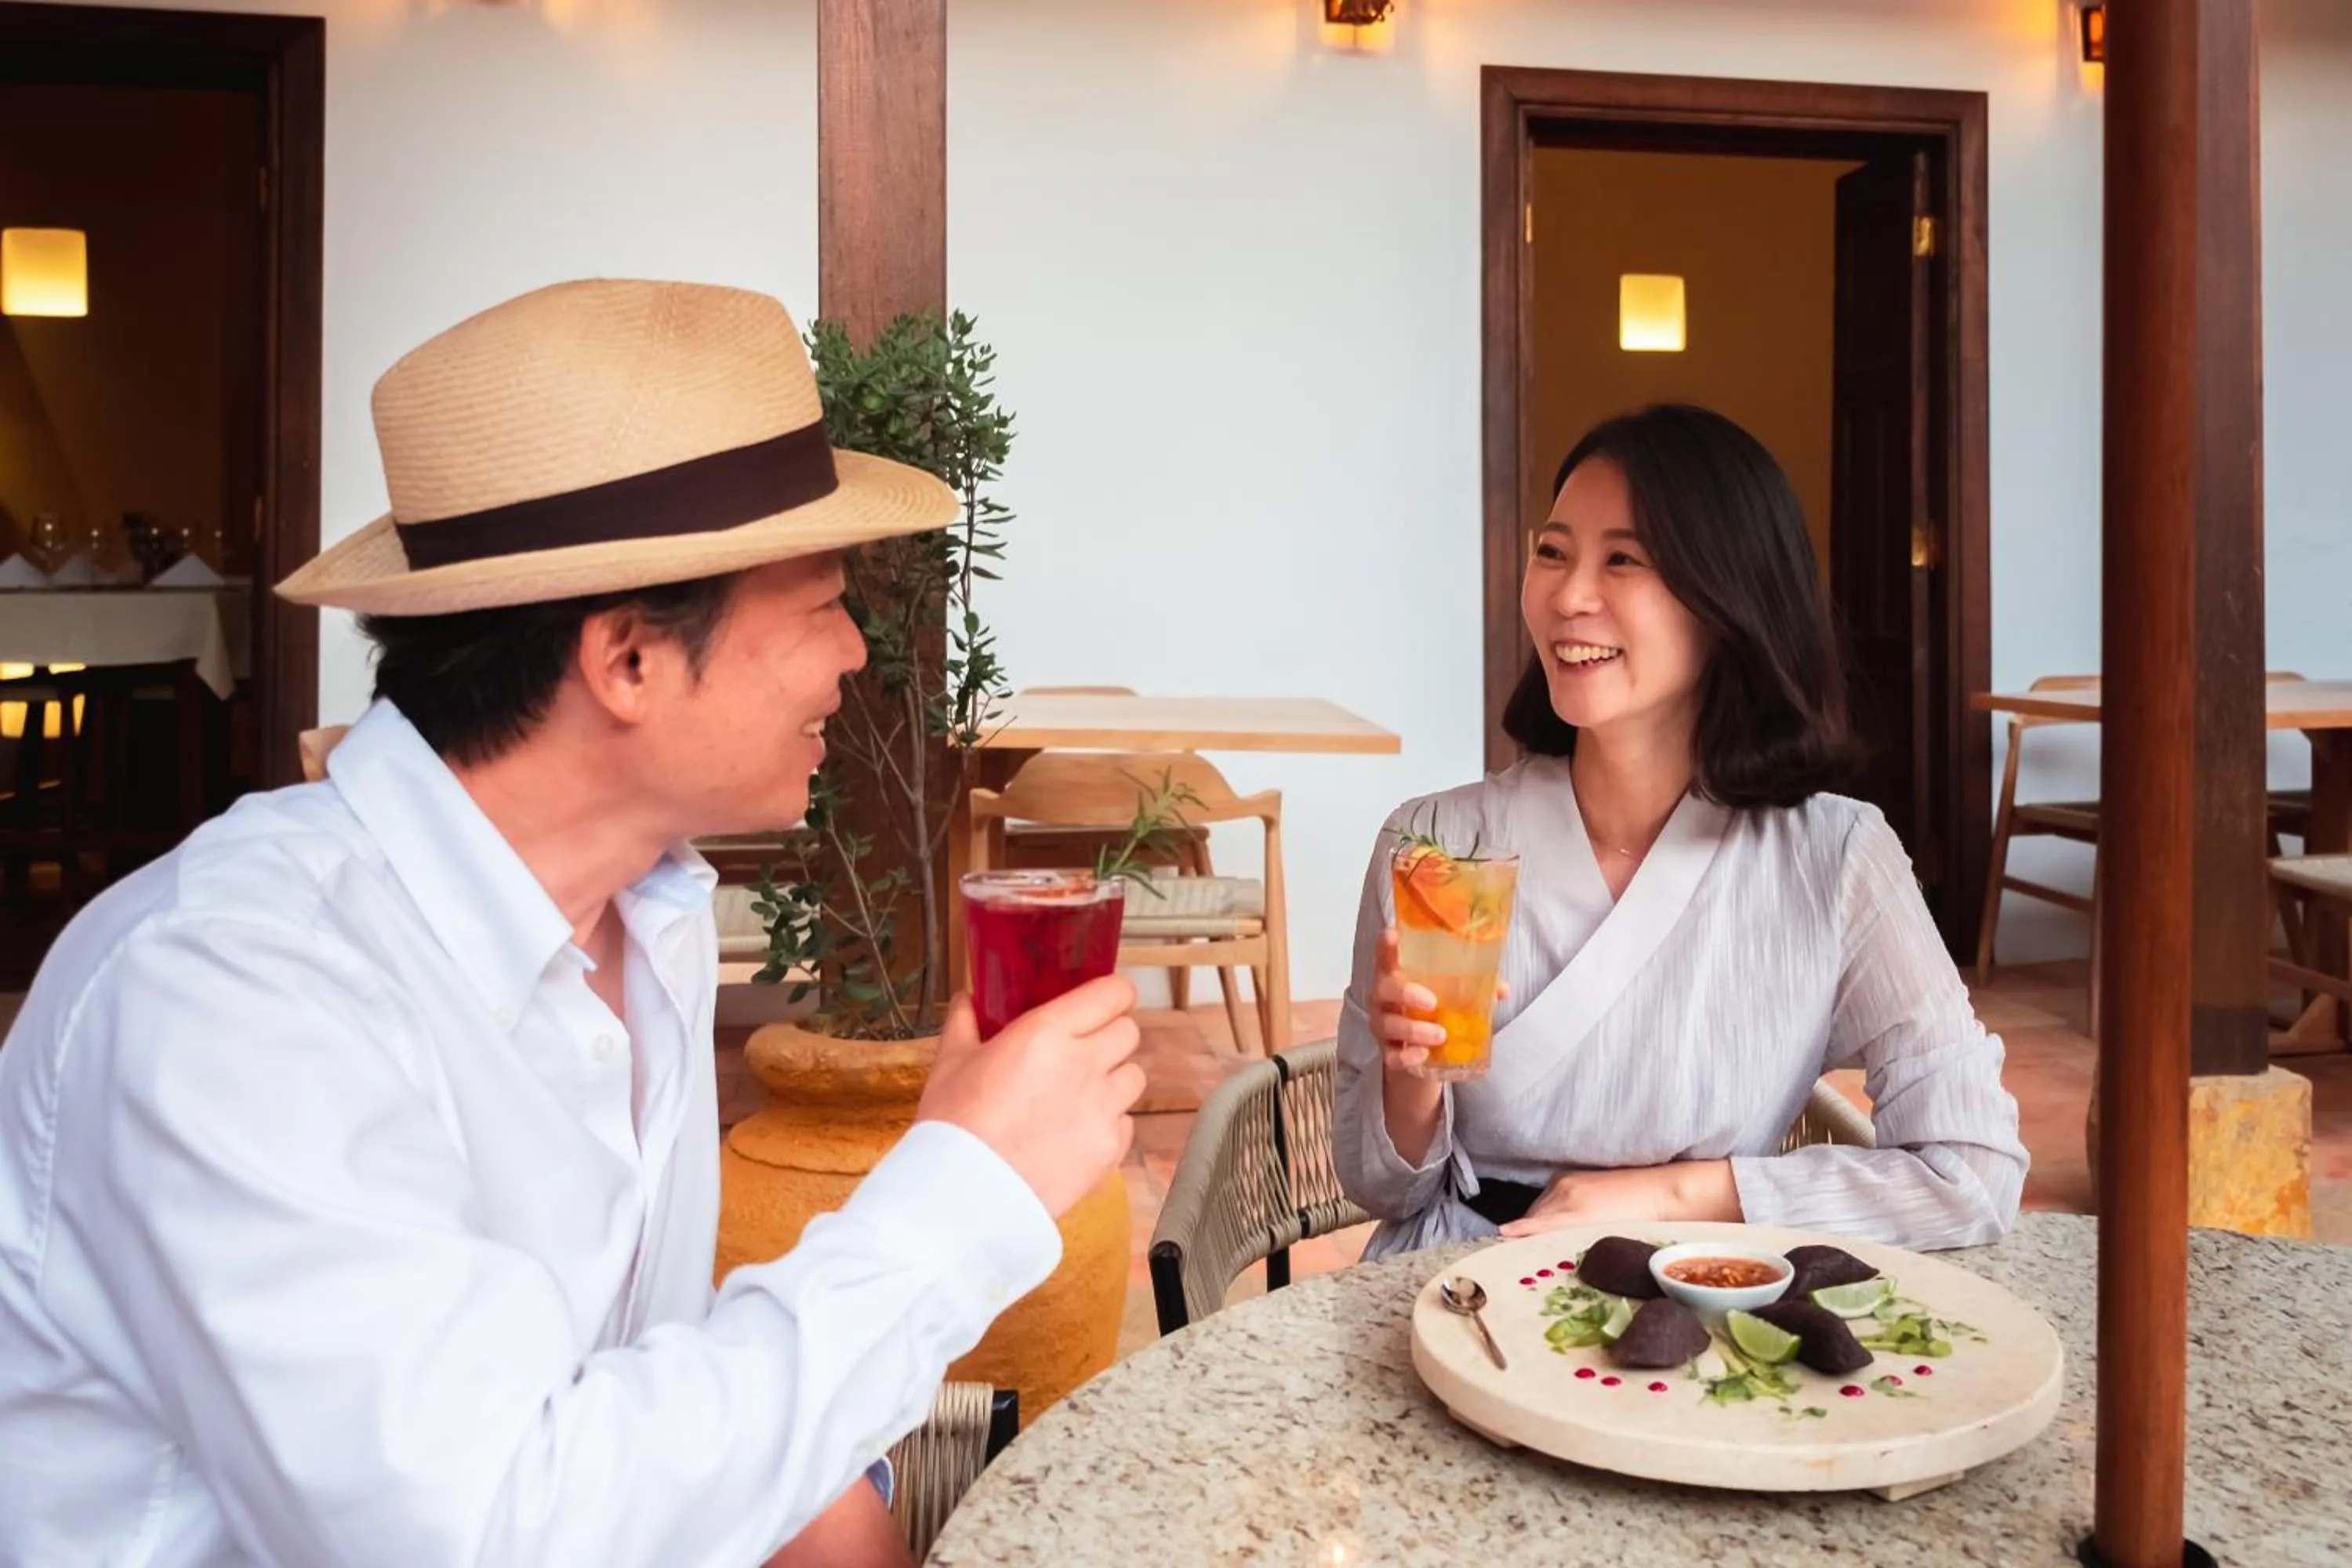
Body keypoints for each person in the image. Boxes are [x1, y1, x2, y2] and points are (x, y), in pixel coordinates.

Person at [0, 280, 1145, 1568]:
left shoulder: (646, 914)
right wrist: (963, 1189)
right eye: (822, 604)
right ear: (628, 661)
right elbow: (489, 1532)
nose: (854, 659)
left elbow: (635, 1402)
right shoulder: (227, 996)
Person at [1336, 404, 2026, 1261]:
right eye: (1552, 552)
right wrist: (1410, 1081)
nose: (1568, 595)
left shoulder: (1837, 859)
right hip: (1458, 1289)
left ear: (1729, 601)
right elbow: (1379, 1186)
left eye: (1623, 559)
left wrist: (1684, 1194)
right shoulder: (1437, 838)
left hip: (1707, 1291)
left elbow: (1973, 1171)